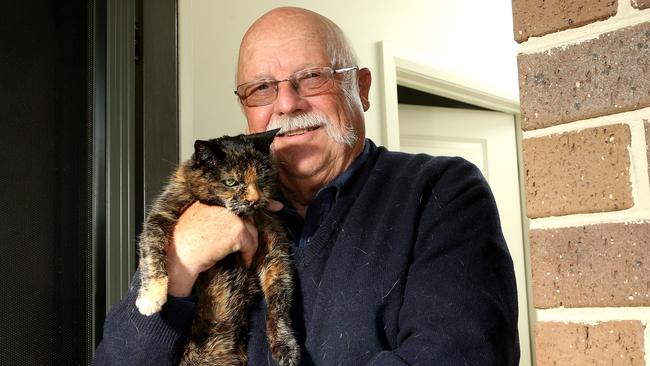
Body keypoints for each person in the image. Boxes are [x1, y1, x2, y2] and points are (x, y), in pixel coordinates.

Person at [93, 7, 520, 365]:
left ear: (362, 88)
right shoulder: (207, 215)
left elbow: (458, 355)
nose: (286, 103)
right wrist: (180, 262)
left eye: (313, 77)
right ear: (246, 111)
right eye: (261, 88)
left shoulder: (442, 191)